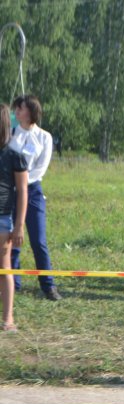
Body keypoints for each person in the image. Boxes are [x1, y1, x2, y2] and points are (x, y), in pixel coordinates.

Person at [8, 95, 60, 301]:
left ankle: (48, 285)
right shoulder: (10, 133)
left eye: (19, 109)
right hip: (9, 191)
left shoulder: (45, 137)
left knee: (39, 240)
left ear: (30, 111)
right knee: (11, 239)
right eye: (15, 109)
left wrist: (23, 181)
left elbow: (40, 168)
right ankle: (14, 282)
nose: (16, 113)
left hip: (33, 191)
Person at [0, 104, 28, 332]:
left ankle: (7, 319)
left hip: (2, 219)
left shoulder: (14, 155)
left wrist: (19, 226)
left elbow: (23, 192)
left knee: (4, 267)